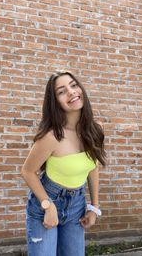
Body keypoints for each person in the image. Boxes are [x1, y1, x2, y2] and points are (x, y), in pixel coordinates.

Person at [21, 71, 105, 256]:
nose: (71, 92)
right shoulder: (51, 136)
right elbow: (27, 171)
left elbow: (92, 167)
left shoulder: (95, 129)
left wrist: (94, 207)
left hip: (77, 205)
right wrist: (48, 205)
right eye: (61, 91)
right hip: (46, 203)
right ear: (55, 101)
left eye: (73, 85)